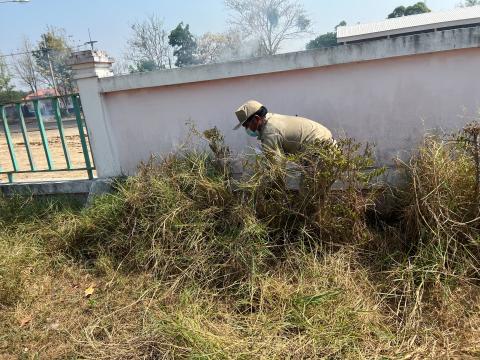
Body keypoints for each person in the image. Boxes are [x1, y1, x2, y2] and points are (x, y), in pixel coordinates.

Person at [233, 100, 333, 159]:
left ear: (256, 119)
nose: (247, 129)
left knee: (308, 190)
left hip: (320, 149)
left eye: (246, 125)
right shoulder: (272, 119)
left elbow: (276, 169)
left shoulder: (269, 133)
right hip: (324, 142)